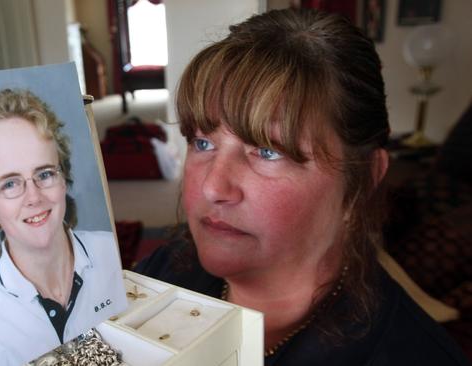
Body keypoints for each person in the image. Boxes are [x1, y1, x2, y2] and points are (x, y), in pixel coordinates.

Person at [136, 9, 471, 365]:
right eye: (202, 143)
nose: (212, 188)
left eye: (267, 151)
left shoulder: (413, 355)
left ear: (364, 179)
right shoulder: (166, 266)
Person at [0, 89, 126, 366]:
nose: (34, 197)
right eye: (10, 183)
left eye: (44, 174)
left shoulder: (110, 251)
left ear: (63, 179)